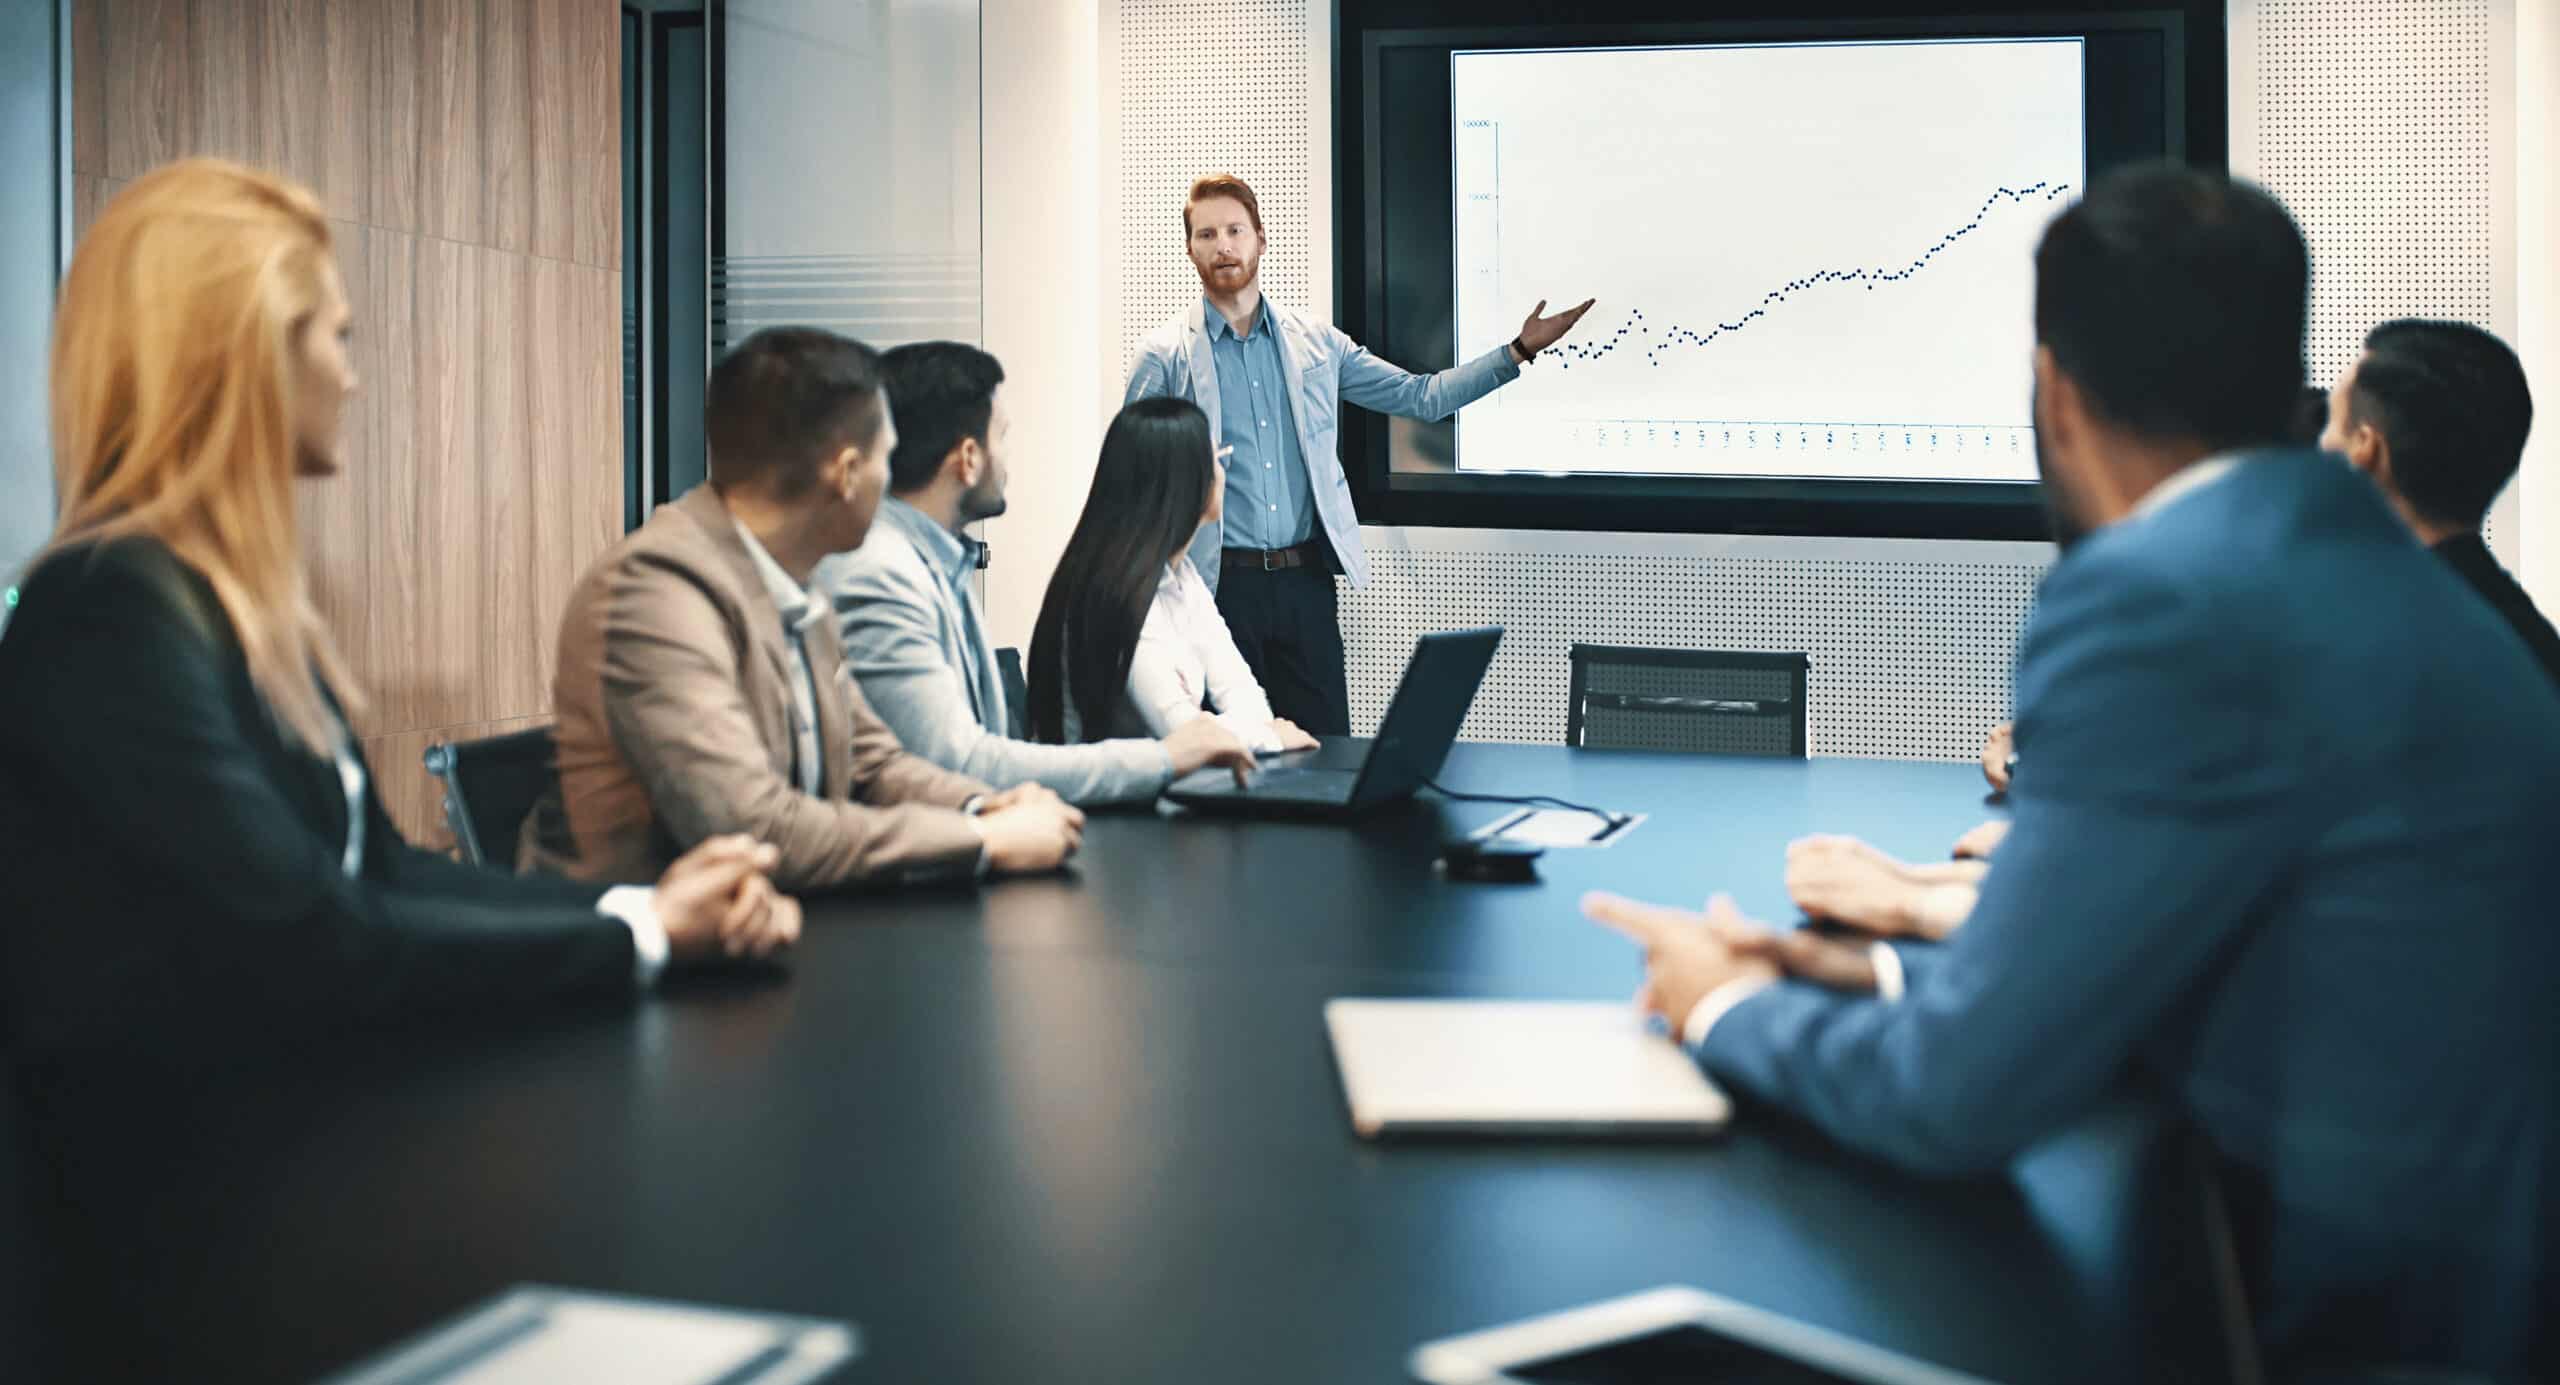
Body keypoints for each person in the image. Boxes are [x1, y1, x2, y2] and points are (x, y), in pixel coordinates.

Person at [1588, 165, 2560, 1375]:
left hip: (2331, 1319)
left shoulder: (2168, 597)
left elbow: (1957, 1102)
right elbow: (2219, 947)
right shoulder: (2386, 582)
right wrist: (1873, 968)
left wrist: (1717, 1000)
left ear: (2052, 392)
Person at [0, 161, 800, 1061]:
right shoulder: (107, 613)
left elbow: (379, 870)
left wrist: (645, 907)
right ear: (251, 358)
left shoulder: (233, 607)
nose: (352, 380)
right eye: (337, 339)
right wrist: (644, 939)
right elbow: (305, 938)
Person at [522, 328, 1085, 892]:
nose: (894, 483)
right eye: (886, 459)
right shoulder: (656, 594)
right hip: (642, 961)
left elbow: (873, 763)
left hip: (773, 933)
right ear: (844, 474)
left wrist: (986, 803)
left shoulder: (796, 582)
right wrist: (983, 840)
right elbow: (753, 825)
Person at [1123, 173, 1593, 735]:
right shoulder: (1164, 355)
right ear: (1190, 248)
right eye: (1206, 234)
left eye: (1234, 230)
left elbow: (1421, 397)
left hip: (1306, 583)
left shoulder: (1317, 343)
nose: (1223, 246)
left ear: (1260, 239)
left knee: (1326, 751)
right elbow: (1131, 483)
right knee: (1227, 759)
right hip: (1218, 584)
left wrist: (1516, 352)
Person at [821, 342, 1257, 804]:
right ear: (969, 458)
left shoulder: (940, 560)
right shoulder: (883, 572)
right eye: (1000, 438)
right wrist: (1167, 757)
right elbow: (958, 763)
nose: (1006, 463)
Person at [1026, 398, 1320, 756]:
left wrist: (1251, 728)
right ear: (1186, 482)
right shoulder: (1115, 591)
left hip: (1155, 792)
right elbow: (1179, 736)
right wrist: (1267, 736)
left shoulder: (1181, 576)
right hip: (1104, 804)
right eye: (1216, 459)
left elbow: (1241, 691)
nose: (1224, 473)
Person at [2322, 318, 2560, 689]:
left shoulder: (2353, 645)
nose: (2320, 447)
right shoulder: (2531, 642)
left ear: (2365, 449)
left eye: (2331, 425)